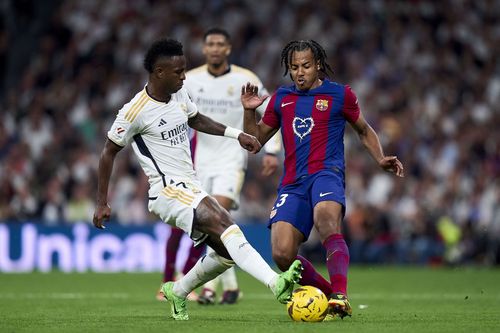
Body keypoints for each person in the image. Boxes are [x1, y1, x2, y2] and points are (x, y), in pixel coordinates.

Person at [92, 38, 302, 321]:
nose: (183, 76)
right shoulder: (134, 111)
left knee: (225, 253)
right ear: (159, 73)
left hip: (190, 185)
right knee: (226, 222)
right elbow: (108, 152)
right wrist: (102, 202)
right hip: (166, 190)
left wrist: (236, 134)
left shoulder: (179, 94)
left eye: (184, 70)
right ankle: (275, 283)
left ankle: (177, 290)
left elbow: (196, 119)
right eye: (178, 72)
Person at [241, 39, 404, 319]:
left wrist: (379, 158)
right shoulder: (282, 98)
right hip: (292, 183)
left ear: (318, 65)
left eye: (305, 66)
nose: (300, 72)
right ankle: (332, 296)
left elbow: (364, 130)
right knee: (282, 255)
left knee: (326, 221)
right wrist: (248, 110)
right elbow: (253, 142)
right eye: (294, 67)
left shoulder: (341, 95)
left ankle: (341, 293)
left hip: (327, 175)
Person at [184, 27, 280, 305]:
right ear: (204, 49)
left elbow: (271, 110)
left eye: (220, 44)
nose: (215, 48)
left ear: (228, 49)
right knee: (210, 225)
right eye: (210, 44)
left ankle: (209, 289)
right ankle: (231, 283)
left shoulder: (245, 78)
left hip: (231, 160)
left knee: (215, 217)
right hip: (200, 162)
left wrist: (272, 150)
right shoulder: (190, 80)